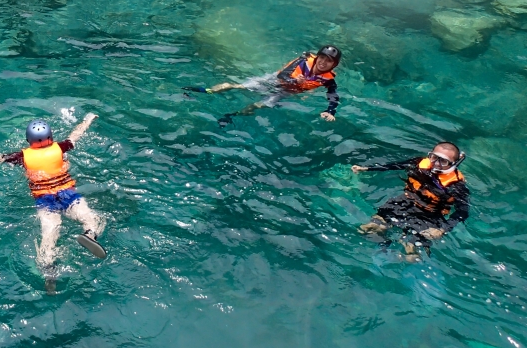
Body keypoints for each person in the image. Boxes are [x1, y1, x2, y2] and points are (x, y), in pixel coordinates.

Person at [0, 114, 105, 292]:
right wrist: (87, 120)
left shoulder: (22, 156)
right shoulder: (60, 148)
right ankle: (90, 235)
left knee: (49, 236)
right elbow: (75, 135)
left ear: (29, 141)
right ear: (51, 137)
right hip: (67, 194)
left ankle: (49, 270)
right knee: (90, 218)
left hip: (45, 200)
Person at [353, 142, 469, 254]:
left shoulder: (456, 186)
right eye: (434, 157)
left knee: (409, 250)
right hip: (404, 202)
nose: (436, 163)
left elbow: (462, 212)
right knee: (369, 228)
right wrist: (366, 168)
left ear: (454, 163)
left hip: (429, 215)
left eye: (443, 161)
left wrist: (442, 229)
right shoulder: (418, 163)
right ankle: (376, 249)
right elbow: (395, 165)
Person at [189, 45, 342, 125]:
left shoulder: (328, 79)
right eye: (321, 58)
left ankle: (231, 116)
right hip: (273, 81)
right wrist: (296, 81)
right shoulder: (303, 62)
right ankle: (207, 90)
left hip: (285, 92)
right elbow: (282, 75)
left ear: (333, 65)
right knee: (240, 86)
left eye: (328, 61)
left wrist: (330, 111)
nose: (323, 62)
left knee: (260, 105)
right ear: (317, 57)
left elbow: (333, 96)